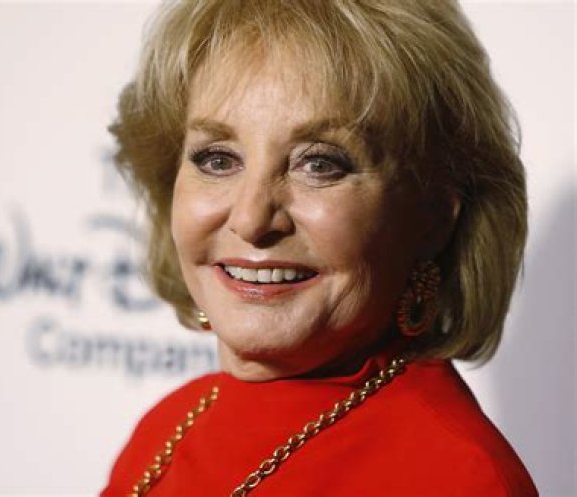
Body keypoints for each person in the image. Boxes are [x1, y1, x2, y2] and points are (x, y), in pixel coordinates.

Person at [101, 0, 538, 495]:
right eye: (218, 159)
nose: (251, 219)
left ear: (433, 216)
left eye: (319, 164)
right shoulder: (166, 429)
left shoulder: (456, 477)